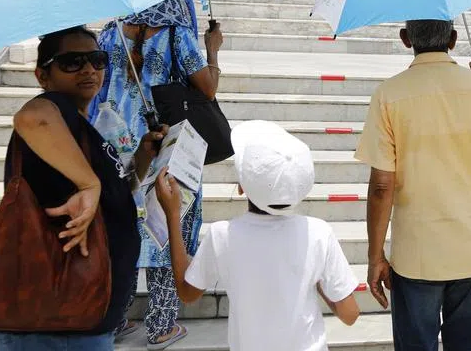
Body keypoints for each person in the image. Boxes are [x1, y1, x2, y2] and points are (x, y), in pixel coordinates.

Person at [355, 19, 471, 350]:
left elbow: (381, 187)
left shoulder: (388, 94)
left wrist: (375, 257)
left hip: (417, 254)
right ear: (454, 39)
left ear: (405, 39)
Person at [0, 27, 163, 351]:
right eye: (72, 62)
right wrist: (90, 182)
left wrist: (143, 155)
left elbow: (112, 196)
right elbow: (30, 116)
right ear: (43, 75)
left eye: (96, 60)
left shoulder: (82, 128)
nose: (88, 70)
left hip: (79, 316)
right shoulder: (53, 108)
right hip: (57, 321)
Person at [154, 120, 360, 351]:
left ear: (242, 187)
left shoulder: (222, 235)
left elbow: (187, 292)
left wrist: (172, 215)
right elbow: (349, 314)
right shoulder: (319, 233)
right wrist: (317, 276)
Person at [90, 0, 224, 349]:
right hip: (164, 144)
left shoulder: (108, 33)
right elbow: (207, 89)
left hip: (119, 146)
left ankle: (117, 318)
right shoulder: (174, 33)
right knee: (165, 229)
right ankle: (161, 325)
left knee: (125, 227)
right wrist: (213, 49)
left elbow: (96, 93)